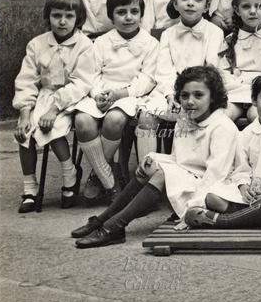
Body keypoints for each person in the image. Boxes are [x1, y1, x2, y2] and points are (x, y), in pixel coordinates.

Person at [72, 65, 240, 248]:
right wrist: (153, 159)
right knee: (151, 167)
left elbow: (215, 175)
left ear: (213, 97)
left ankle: (114, 227)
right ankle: (103, 219)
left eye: (198, 95)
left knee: (162, 174)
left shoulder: (222, 127)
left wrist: (193, 209)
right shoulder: (185, 119)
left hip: (214, 190)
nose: (190, 102)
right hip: (192, 178)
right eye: (185, 96)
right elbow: (180, 160)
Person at [184, 72, 261, 230]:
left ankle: (224, 221)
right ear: (254, 100)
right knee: (212, 196)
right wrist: (243, 186)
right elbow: (241, 168)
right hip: (251, 191)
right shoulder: (245, 135)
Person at [75, 0, 159, 204]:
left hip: (130, 94)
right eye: (121, 12)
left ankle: (98, 176)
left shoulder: (150, 43)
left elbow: (148, 78)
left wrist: (122, 93)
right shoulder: (101, 42)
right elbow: (91, 73)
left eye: (134, 11)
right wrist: (97, 95)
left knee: (114, 120)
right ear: (111, 16)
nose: (129, 17)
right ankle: (109, 177)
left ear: (141, 14)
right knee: (83, 121)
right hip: (102, 91)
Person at [13, 0, 93, 212]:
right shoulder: (37, 44)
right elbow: (27, 80)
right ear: (48, 16)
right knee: (25, 132)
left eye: (69, 16)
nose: (62, 22)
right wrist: (25, 112)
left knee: (52, 127)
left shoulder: (84, 46)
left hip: (72, 98)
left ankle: (70, 176)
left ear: (78, 19)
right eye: (57, 15)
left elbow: (81, 83)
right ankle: (30, 189)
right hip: (45, 95)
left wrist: (55, 108)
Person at [141, 0, 224, 137]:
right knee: (146, 117)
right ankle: (149, 161)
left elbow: (211, 70)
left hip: (200, 91)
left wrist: (188, 95)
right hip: (171, 91)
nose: (190, 3)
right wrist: (171, 95)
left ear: (207, 6)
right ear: (175, 4)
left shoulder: (214, 32)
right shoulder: (168, 34)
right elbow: (164, 70)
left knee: (193, 115)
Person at [217, 0, 261, 122]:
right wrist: (239, 84)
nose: (253, 11)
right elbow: (223, 72)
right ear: (236, 10)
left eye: (259, 6)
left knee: (257, 117)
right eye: (246, 6)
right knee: (222, 118)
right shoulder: (230, 41)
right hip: (237, 91)